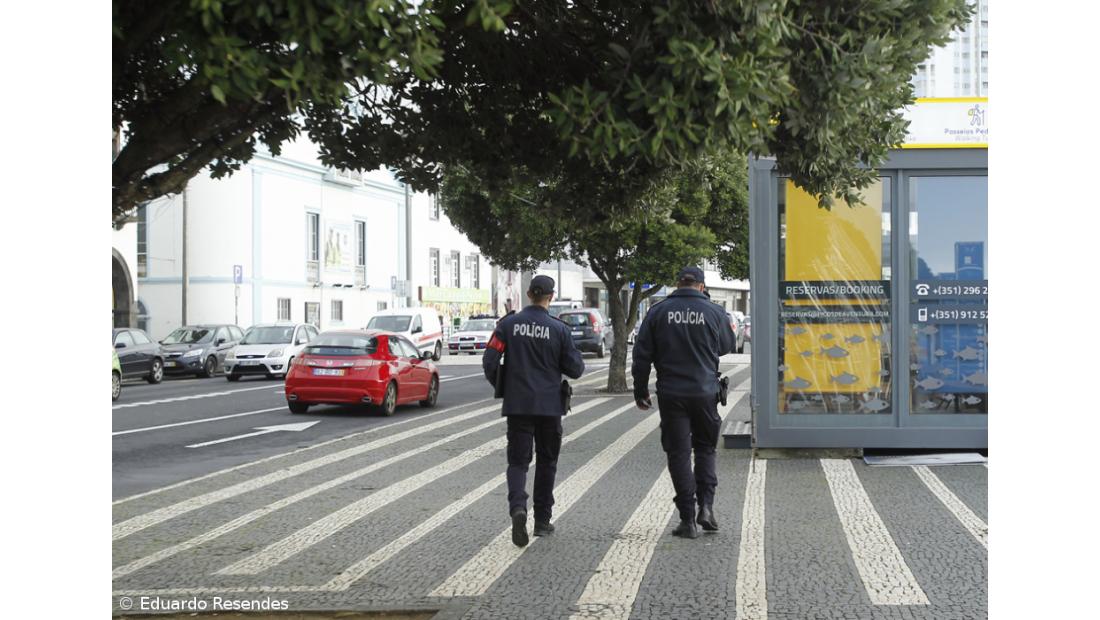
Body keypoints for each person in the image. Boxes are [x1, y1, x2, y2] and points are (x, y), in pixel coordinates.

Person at [631, 266, 736, 539]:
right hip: (704, 392)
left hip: (671, 393)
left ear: (677, 284)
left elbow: (642, 355)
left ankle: (687, 519)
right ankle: (707, 508)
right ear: (701, 286)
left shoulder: (658, 312)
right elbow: (726, 345)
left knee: (678, 453)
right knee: (705, 450)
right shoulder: (715, 312)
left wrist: (640, 390)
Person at [483, 275, 585, 547]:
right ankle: (542, 520)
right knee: (547, 462)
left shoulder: (508, 325)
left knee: (518, 462)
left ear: (529, 293)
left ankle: (518, 508)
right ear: (550, 297)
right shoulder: (559, 329)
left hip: (518, 406)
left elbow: (490, 360)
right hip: (550, 406)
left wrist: (503, 386)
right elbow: (575, 369)